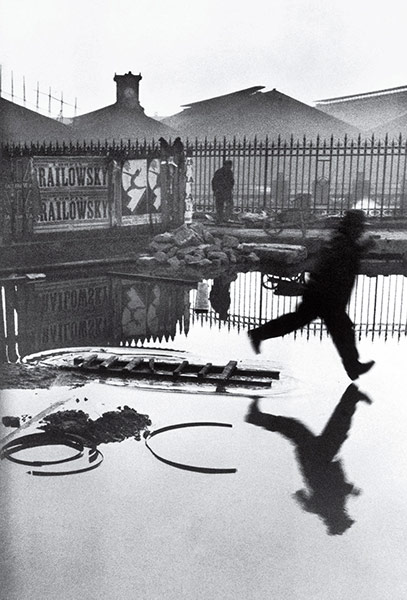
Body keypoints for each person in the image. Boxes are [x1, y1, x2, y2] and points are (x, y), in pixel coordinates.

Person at [248, 210, 375, 380]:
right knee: (341, 330)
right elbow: (342, 261)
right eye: (359, 227)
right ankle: (353, 367)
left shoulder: (341, 240)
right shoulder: (342, 243)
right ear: (352, 227)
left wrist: (360, 249)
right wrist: (362, 248)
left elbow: (343, 258)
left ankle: (259, 334)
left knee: (304, 322)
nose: (360, 231)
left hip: (323, 295)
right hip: (325, 297)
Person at [245, 384, 372, 535]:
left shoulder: (330, 508)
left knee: (323, 428)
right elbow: (305, 497)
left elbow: (333, 489)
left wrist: (351, 490)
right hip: (318, 459)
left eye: (345, 518)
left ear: (339, 518)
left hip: (318, 460)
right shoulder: (326, 508)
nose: (347, 514)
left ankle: (352, 396)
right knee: (332, 428)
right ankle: (352, 396)